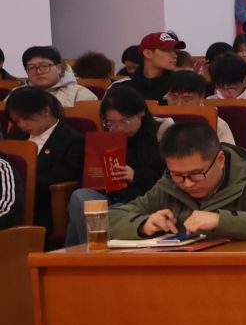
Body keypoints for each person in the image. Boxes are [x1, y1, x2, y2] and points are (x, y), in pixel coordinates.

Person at [109, 120, 246, 241]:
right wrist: (143, 224)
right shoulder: (168, 185)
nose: (188, 183)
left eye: (196, 174)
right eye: (178, 175)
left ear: (220, 160)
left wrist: (221, 220)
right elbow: (110, 220)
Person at [60, 86, 166, 244]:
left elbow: (167, 179)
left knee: (93, 217)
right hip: (111, 196)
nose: (119, 128)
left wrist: (135, 175)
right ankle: (91, 250)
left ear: (141, 113)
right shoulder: (108, 136)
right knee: (80, 197)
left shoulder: (161, 133)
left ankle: (87, 252)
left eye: (125, 121)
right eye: (111, 122)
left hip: (140, 198)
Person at [3, 86, 84, 240]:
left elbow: (62, 174)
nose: (22, 125)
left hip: (42, 203)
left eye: (26, 118)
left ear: (45, 111)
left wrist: (19, 186)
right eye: (16, 121)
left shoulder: (72, 140)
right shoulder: (15, 135)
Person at [115, 31, 183, 103]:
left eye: (175, 51)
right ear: (148, 53)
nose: (175, 55)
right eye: (167, 50)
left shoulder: (181, 85)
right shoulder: (120, 87)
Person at [18, 46, 94, 108]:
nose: (38, 71)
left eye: (44, 66)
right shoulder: (17, 94)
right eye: (31, 68)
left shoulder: (80, 93)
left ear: (58, 68)